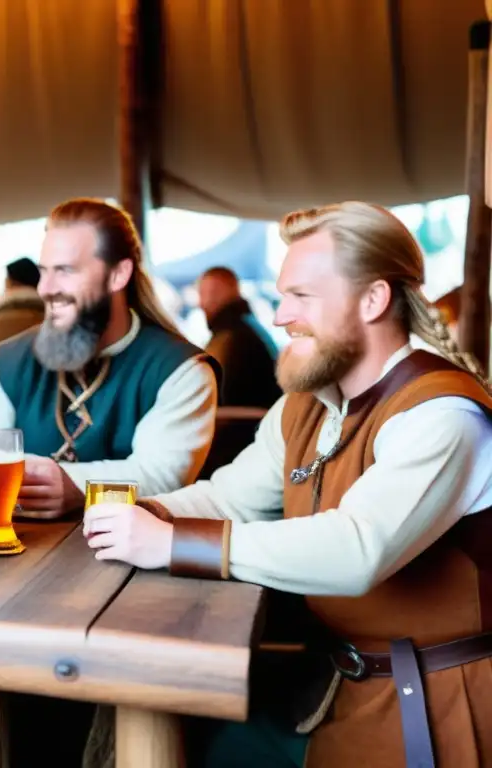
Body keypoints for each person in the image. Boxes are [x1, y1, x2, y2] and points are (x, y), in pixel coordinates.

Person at [83, 201, 492, 768]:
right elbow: (230, 498)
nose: (280, 315)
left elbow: (356, 550)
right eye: (283, 296)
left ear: (373, 299)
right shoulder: (307, 405)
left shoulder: (444, 415)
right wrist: (142, 514)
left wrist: (169, 543)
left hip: (439, 709)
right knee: (162, 727)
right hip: (334, 684)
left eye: (302, 297)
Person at [0, 198, 219, 519]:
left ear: (118, 275)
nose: (46, 289)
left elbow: (164, 479)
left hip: (129, 559)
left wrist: (78, 489)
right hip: (19, 550)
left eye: (65, 271)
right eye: (43, 271)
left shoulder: (180, 369)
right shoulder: (11, 358)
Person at [197, 265, 282, 408]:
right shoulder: (250, 327)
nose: (201, 303)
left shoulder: (230, 339)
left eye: (206, 294)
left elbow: (211, 393)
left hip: (243, 426)